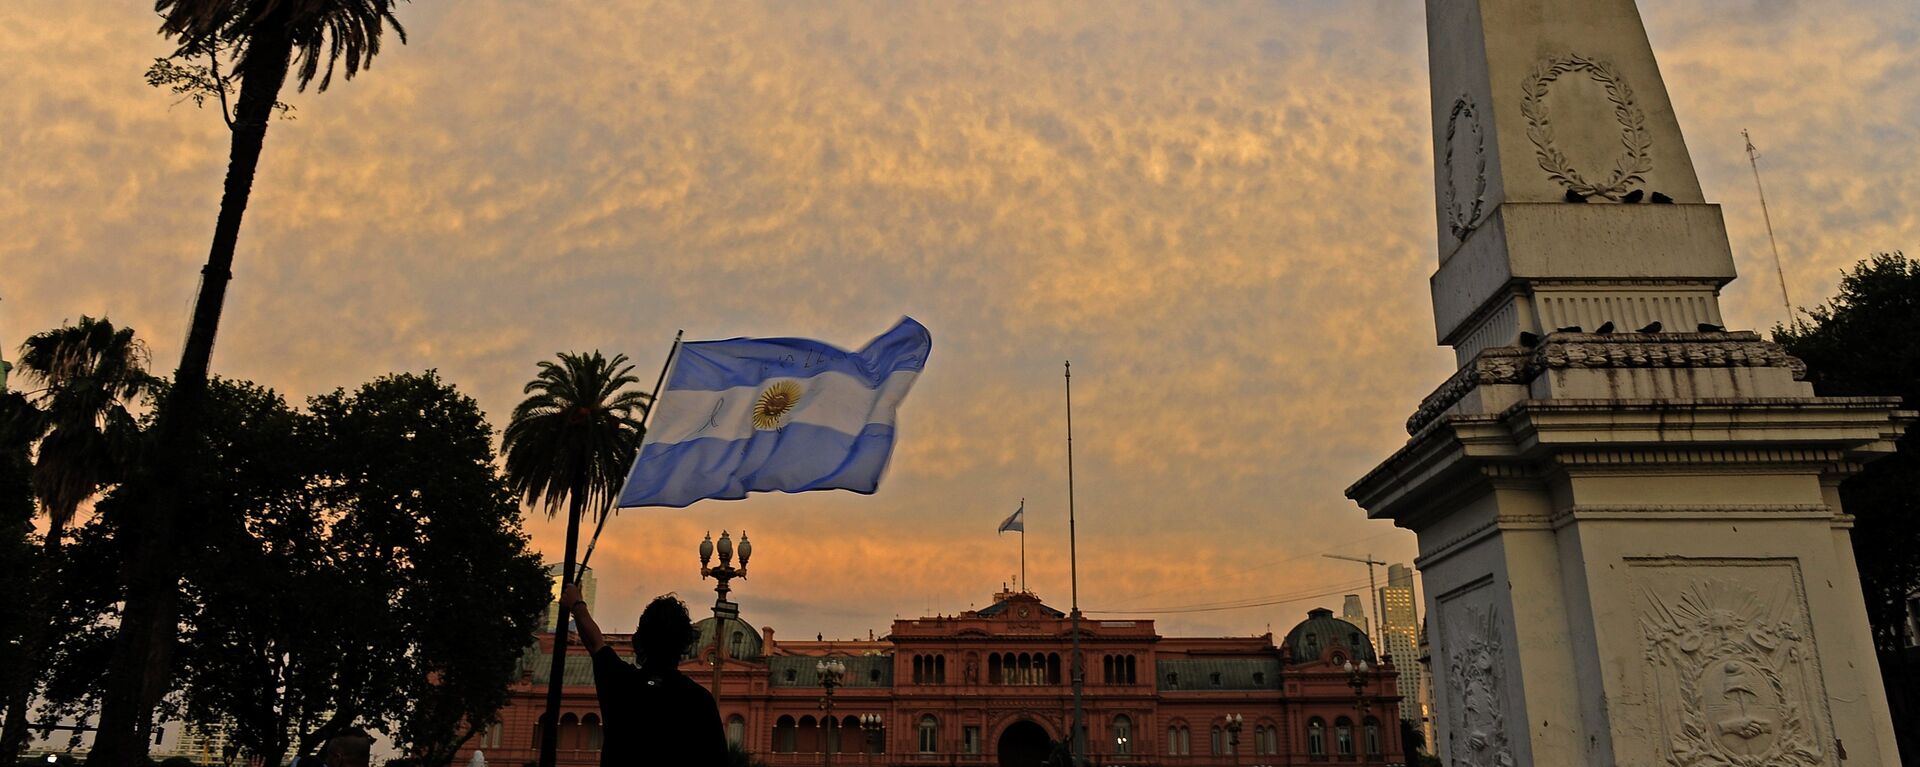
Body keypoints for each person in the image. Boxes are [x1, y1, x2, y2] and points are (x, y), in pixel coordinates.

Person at [559, 582, 728, 766]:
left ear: (640, 640)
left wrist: (576, 604)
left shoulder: (623, 684)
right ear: (684, 645)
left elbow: (595, 643)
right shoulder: (699, 701)